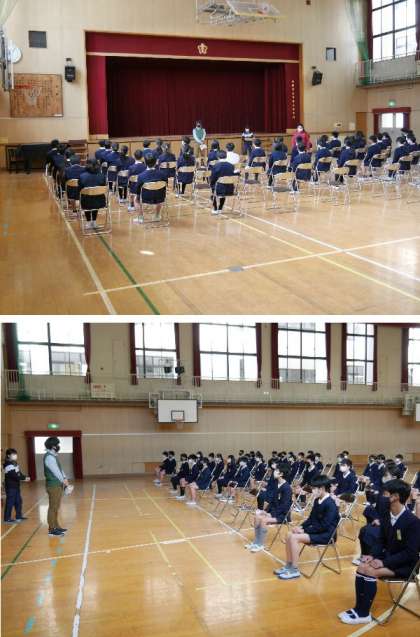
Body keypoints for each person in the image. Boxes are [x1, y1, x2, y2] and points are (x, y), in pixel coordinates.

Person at [339, 479, 420, 625]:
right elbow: (380, 540)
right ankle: (358, 608)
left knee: (370, 571)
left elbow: (410, 553)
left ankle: (364, 614)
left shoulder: (412, 522)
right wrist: (372, 555)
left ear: (395, 497)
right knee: (362, 567)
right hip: (389, 558)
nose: (381, 497)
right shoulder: (386, 515)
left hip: (406, 565)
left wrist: (383, 562)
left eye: (385, 494)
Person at [275, 475, 339, 580]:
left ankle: (294, 570)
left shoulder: (330, 504)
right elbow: (310, 519)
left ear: (322, 488)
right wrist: (300, 527)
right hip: (317, 531)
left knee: (294, 538)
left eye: (314, 488)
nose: (312, 491)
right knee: (289, 534)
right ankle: (288, 565)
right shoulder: (317, 500)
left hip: (327, 535)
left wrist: (304, 530)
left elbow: (324, 526)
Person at [246, 463, 292, 553]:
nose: (274, 472)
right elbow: (272, 501)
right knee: (257, 517)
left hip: (282, 515)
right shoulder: (276, 484)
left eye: (276, 470)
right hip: (273, 511)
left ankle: (260, 544)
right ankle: (256, 542)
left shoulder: (287, 488)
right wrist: (265, 511)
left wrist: (271, 514)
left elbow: (284, 507)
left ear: (281, 474)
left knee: (263, 520)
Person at [43, 436, 70, 537]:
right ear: (53, 446)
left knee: (56, 507)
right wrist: (64, 481)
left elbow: (60, 469)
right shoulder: (49, 457)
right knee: (53, 507)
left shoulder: (53, 456)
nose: (58, 446)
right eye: (57, 444)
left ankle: (56, 526)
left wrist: (65, 478)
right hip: (53, 485)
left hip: (57, 485)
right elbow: (55, 471)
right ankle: (52, 529)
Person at [136, 154, 168, 222]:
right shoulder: (163, 174)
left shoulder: (141, 176)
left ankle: (140, 217)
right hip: (160, 197)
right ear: (156, 162)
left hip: (146, 198)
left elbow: (138, 190)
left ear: (145, 162)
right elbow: (166, 185)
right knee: (160, 193)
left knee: (136, 199)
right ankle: (157, 215)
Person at [3, 448, 30, 523]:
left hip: (16, 486)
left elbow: (18, 473)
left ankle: (18, 516)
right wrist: (23, 479)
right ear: (8, 455)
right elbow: (13, 475)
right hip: (10, 487)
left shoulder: (14, 463)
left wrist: (25, 477)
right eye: (13, 454)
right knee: (10, 503)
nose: (15, 456)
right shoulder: (7, 464)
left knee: (18, 501)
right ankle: (7, 518)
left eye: (16, 454)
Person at [78, 158, 107, 229]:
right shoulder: (102, 176)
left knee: (86, 197)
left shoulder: (82, 176)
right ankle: (94, 221)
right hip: (100, 202)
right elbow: (103, 187)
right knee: (95, 198)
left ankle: (88, 222)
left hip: (86, 202)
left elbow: (79, 189)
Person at [210, 150, 236, 214]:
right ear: (226, 156)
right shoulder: (231, 165)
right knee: (221, 190)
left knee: (213, 192)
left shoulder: (216, 166)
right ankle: (220, 208)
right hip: (230, 189)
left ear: (218, 157)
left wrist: (211, 185)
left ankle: (215, 209)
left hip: (219, 189)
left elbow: (213, 178)